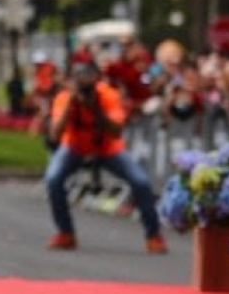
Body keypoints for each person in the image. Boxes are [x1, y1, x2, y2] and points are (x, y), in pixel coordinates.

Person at [43, 54, 167, 254]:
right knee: (53, 178)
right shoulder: (64, 98)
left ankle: (154, 236)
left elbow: (117, 130)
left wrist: (96, 108)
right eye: (78, 78)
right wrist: (71, 105)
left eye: (88, 77)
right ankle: (65, 232)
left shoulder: (108, 95)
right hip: (74, 147)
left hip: (108, 149)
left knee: (141, 182)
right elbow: (55, 134)